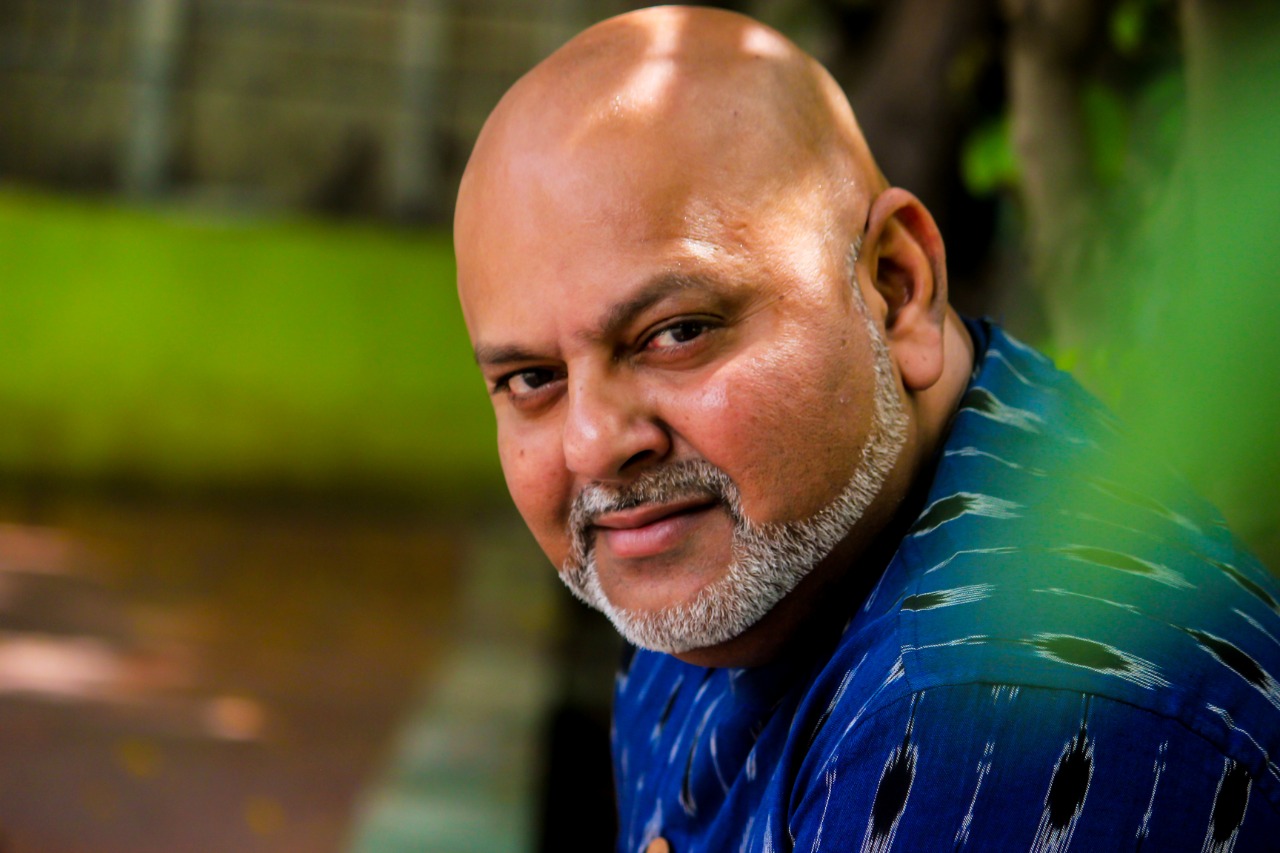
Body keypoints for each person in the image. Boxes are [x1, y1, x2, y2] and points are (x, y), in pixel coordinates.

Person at [453, 6, 1280, 851]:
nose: (595, 444)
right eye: (532, 379)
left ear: (895, 288)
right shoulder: (743, 560)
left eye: (677, 333)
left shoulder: (998, 713)